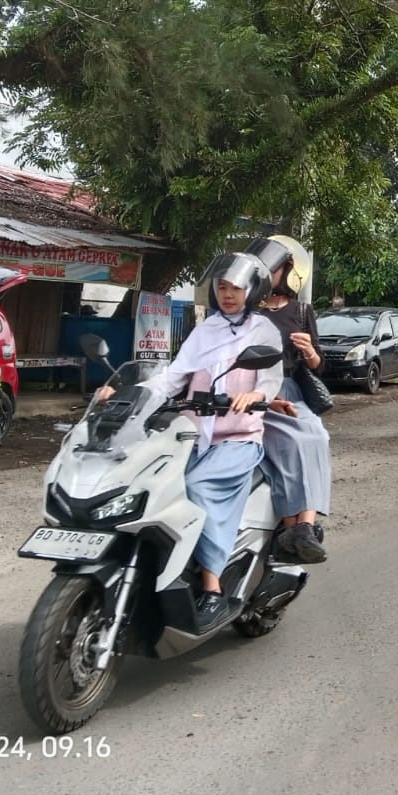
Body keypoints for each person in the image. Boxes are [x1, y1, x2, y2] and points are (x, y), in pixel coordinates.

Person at [104, 252, 297, 628]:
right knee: (147, 483)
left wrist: (254, 397)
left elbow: (271, 379)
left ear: (251, 291)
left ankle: (211, 589)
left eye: (236, 288)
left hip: (239, 437)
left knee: (198, 489)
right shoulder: (205, 330)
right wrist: (127, 392)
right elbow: (173, 377)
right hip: (192, 434)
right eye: (222, 287)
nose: (227, 295)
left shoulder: (263, 331)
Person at [245, 235, 332, 563]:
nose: (269, 272)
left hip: (291, 391)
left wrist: (309, 351)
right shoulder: (244, 308)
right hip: (255, 389)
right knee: (291, 445)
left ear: (287, 271)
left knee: (316, 436)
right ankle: (294, 529)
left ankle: (303, 528)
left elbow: (319, 366)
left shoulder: (301, 310)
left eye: (276, 267)